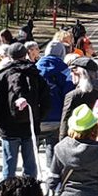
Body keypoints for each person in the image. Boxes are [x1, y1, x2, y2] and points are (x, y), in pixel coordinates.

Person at [0, 41, 51, 180]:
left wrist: (0, 125)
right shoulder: (36, 75)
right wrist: (36, 118)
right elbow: (47, 102)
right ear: (26, 55)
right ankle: (30, 194)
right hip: (29, 127)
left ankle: (7, 195)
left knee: (9, 166)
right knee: (30, 166)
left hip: (9, 129)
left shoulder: (2, 76)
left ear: (9, 57)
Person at [36, 39, 74, 169]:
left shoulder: (34, 69)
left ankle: (31, 179)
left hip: (37, 117)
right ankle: (51, 179)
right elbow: (69, 95)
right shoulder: (65, 71)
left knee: (32, 154)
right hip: (57, 118)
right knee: (53, 149)